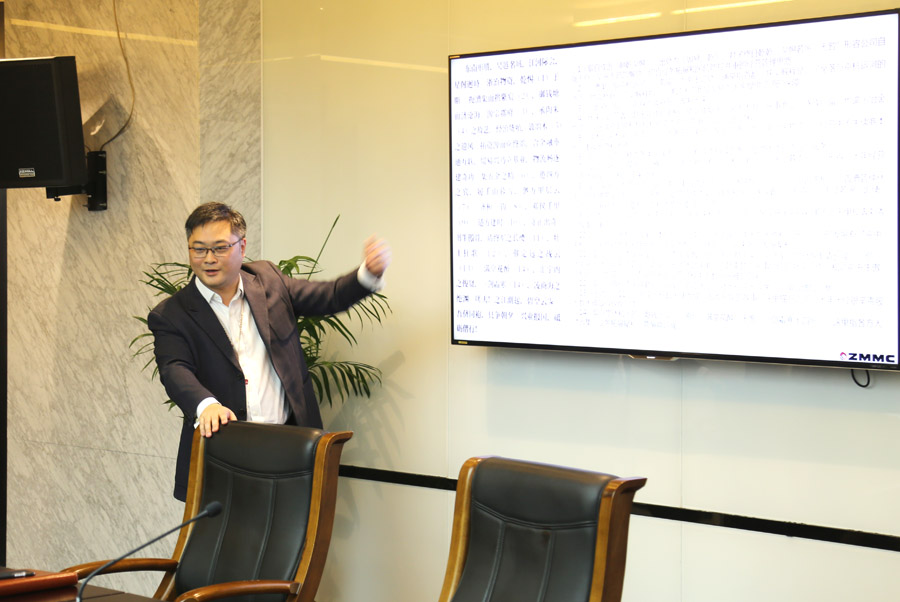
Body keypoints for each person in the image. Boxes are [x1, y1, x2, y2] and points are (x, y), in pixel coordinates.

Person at [148, 202, 391, 500]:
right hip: (222, 457)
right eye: (198, 249)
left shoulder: (268, 281)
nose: (208, 259)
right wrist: (206, 405)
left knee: (296, 530)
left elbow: (327, 297)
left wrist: (367, 274)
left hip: (290, 448)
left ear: (242, 246)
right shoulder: (172, 314)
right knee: (231, 531)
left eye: (220, 248)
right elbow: (174, 369)